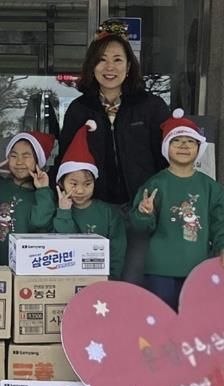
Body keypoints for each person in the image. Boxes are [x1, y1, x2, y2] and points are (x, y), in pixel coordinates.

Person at [57, 19, 170, 282]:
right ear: (92, 66)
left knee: (134, 279)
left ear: (129, 66)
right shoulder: (79, 109)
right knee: (95, 280)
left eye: (118, 60)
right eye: (102, 60)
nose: (110, 67)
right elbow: (66, 160)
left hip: (141, 208)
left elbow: (166, 158)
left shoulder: (150, 106)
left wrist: (159, 201)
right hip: (94, 209)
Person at [129, 110, 224, 310]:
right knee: (162, 318)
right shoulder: (155, 184)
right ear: (166, 147)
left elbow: (222, 222)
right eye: (176, 141)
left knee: (195, 318)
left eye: (190, 141)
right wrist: (144, 213)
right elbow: (139, 228)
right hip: (160, 269)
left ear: (199, 148)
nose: (184, 146)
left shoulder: (210, 187)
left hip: (198, 268)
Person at [52, 121, 127, 279]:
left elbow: (117, 248)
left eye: (87, 184)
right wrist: (64, 212)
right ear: (61, 184)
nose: (80, 190)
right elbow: (64, 245)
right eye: (73, 184)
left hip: (102, 280)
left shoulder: (108, 212)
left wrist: (112, 278)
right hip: (65, 278)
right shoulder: (56, 210)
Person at [0, 131, 55, 265]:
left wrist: (43, 190)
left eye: (26, 156)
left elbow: (39, 224)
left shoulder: (43, 195)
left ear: (38, 161)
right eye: (14, 156)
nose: (19, 162)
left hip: (25, 267)